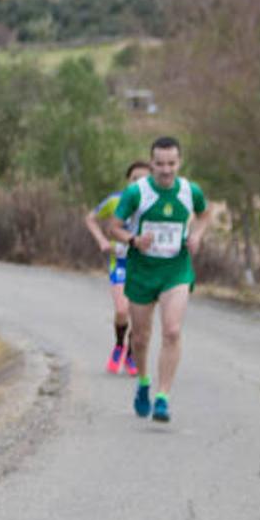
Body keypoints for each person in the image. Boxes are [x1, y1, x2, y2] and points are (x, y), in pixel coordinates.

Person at [104, 136, 209, 423]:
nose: (166, 170)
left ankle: (162, 397)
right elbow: (113, 227)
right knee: (140, 336)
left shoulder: (190, 191)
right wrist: (134, 239)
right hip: (142, 271)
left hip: (176, 270)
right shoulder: (137, 193)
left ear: (179, 162)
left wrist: (197, 235)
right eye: (160, 164)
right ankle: (144, 384)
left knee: (172, 330)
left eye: (171, 163)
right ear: (152, 163)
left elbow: (204, 214)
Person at [84, 161, 150, 376]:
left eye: (144, 179)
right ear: (127, 181)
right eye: (134, 179)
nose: (139, 183)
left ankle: (131, 354)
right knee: (122, 310)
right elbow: (91, 218)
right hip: (120, 262)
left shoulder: (153, 204)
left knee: (138, 317)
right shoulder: (115, 201)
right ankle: (119, 344)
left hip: (145, 265)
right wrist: (102, 240)